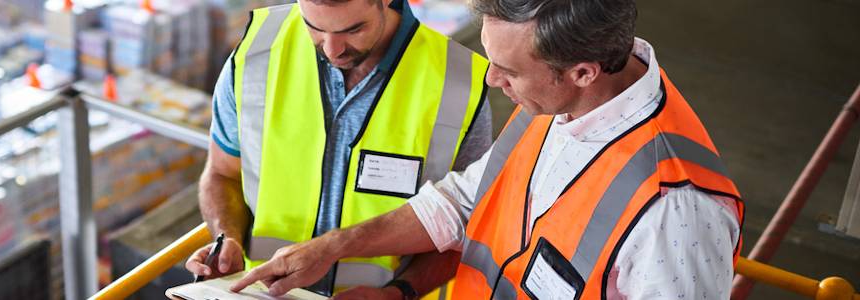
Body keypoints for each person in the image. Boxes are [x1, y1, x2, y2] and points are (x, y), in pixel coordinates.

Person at [231, 0, 745, 298]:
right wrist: (334, 247)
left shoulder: (675, 207)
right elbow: (464, 201)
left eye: (509, 69)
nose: (492, 78)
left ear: (583, 71)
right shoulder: (557, 102)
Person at [185, 0, 496, 295]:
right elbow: (222, 174)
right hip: (257, 293)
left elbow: (469, 227)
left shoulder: (459, 84)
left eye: (353, 29)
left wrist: (398, 294)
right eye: (314, 27)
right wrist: (227, 239)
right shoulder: (257, 51)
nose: (332, 49)